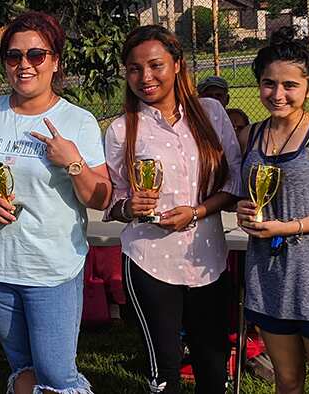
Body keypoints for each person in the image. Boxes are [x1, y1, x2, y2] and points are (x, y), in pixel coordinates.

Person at [0, 11, 111, 394]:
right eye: (14, 56)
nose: (24, 64)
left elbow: (101, 196)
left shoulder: (77, 121)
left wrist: (73, 162)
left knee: (57, 376)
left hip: (51, 269)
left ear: (55, 61)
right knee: (23, 368)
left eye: (36, 55)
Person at [104, 25, 242, 393]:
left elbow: (234, 183)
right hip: (150, 262)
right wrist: (128, 206)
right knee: (165, 375)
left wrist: (196, 212)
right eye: (134, 69)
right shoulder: (121, 130)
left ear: (177, 65)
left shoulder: (211, 112)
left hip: (207, 260)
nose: (145, 77)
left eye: (155, 65)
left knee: (213, 368)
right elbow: (114, 201)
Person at [236, 27, 309, 394]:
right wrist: (243, 210)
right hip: (268, 275)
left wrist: (290, 226)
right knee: (286, 379)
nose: (277, 94)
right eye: (269, 84)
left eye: (289, 85)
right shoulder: (249, 135)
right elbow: (242, 194)